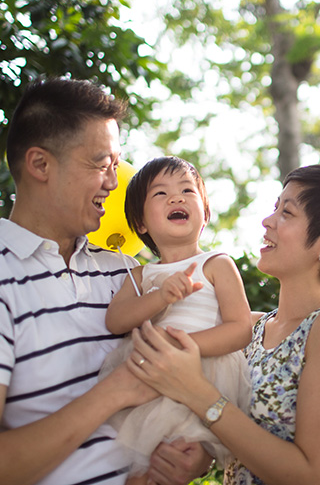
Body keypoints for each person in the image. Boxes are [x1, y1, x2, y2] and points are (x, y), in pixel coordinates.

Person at [0, 78, 212, 485]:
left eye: (116, 165)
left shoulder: (129, 274)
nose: (114, 183)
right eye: (100, 164)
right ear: (40, 165)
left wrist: (194, 454)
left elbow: (192, 382)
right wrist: (114, 391)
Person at [127, 163, 320, 485]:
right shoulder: (243, 330)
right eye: (275, 207)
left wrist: (196, 392)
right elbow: (237, 434)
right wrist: (200, 457)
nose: (268, 221)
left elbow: (315, 476)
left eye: (287, 213)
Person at [99, 156, 252, 475]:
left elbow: (240, 329)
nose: (176, 197)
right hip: (147, 378)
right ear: (141, 223)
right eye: (160, 193)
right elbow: (116, 321)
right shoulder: (140, 275)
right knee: (140, 465)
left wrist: (182, 347)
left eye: (187, 190)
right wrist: (160, 297)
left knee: (176, 457)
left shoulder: (217, 264)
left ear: (205, 214)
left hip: (201, 375)